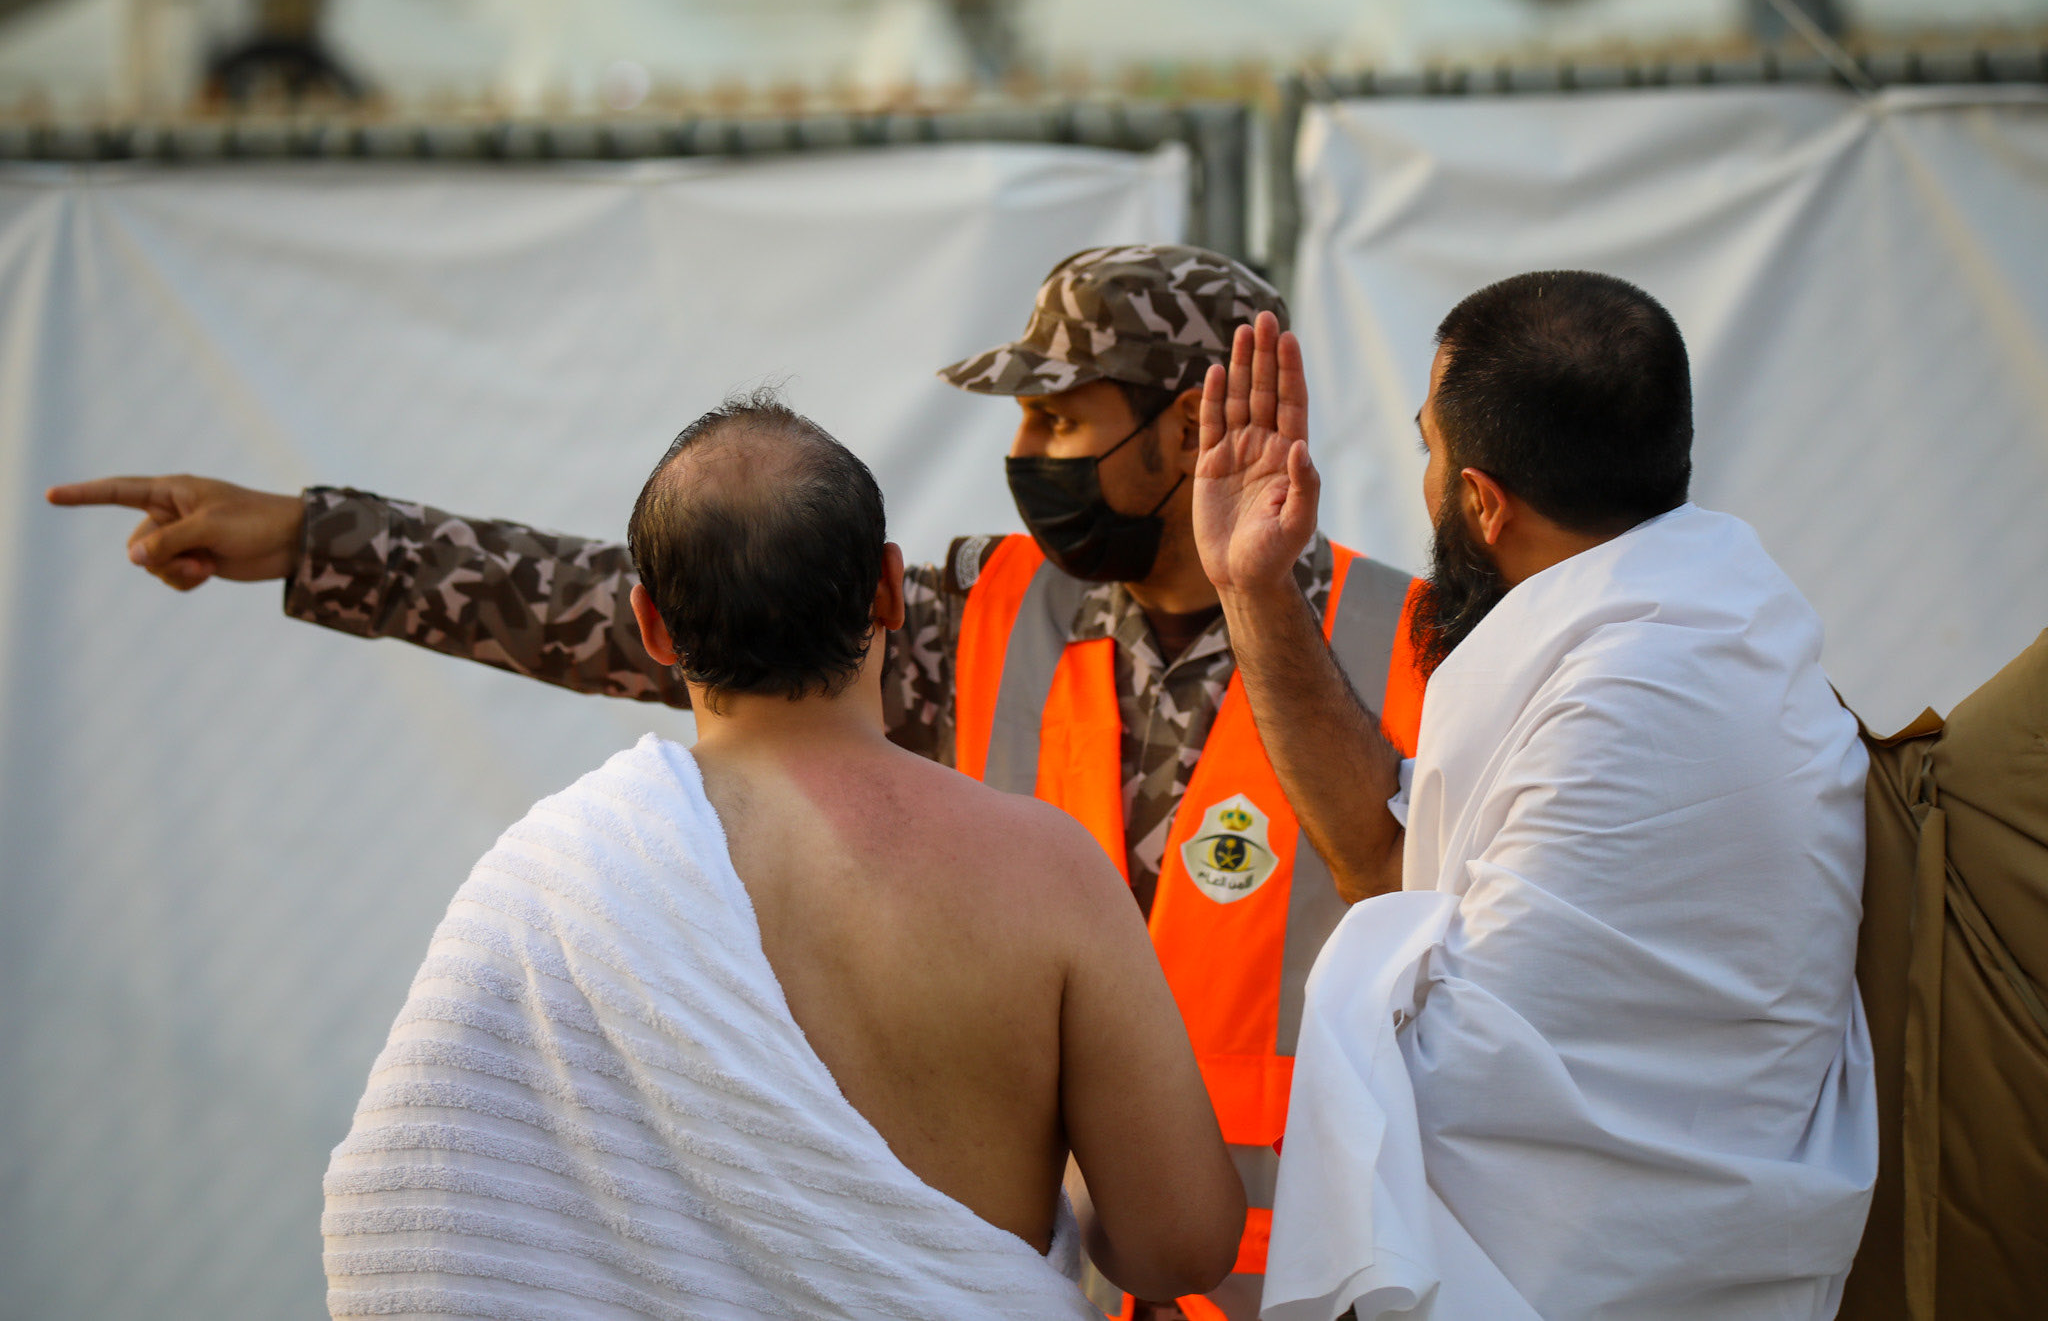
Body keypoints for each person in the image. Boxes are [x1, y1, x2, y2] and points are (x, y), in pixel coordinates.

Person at [50, 244, 1429, 1320]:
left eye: (1063, 420)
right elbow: (625, 602)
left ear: (1193, 431)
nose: (1028, 460)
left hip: (1316, 1274)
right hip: (1065, 1277)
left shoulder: (1407, 646)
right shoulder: (996, 618)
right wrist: (313, 538)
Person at [322, 393, 1243, 1318]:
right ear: (889, 590)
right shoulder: (1048, 869)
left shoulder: (557, 877)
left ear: (650, 627)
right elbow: (1181, 1245)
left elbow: (408, 1223)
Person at [1191, 277, 1879, 1318]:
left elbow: (1471, 1113)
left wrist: (1364, 987)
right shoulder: (1728, 622)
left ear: (1479, 499)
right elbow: (1386, 858)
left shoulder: (1622, 684)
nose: (1422, 481)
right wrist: (1253, 586)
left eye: (1426, 451)